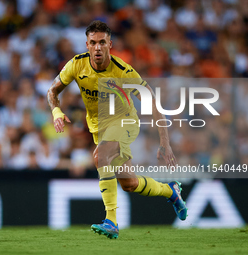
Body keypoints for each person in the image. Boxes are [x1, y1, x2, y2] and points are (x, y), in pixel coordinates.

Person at [47, 20, 187, 239]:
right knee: (129, 183)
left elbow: (152, 103)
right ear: (87, 44)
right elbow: (52, 91)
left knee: (100, 157)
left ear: (110, 44)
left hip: (125, 122)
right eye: (93, 42)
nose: (97, 47)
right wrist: (56, 112)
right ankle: (171, 191)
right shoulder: (76, 65)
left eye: (102, 42)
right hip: (100, 129)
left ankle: (111, 221)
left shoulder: (124, 72)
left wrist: (165, 142)